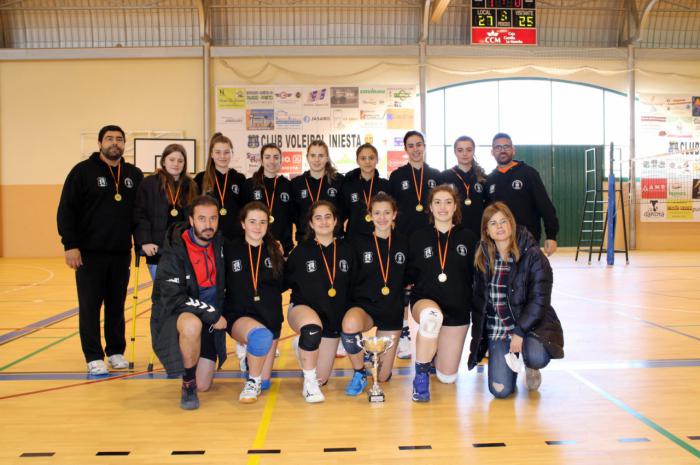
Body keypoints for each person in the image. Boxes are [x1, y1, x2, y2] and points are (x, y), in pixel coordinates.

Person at [57, 125, 143, 375]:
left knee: (117, 306)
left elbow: (138, 214)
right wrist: (70, 245)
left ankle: (115, 351)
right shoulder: (82, 172)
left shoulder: (133, 174)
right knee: (90, 306)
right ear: (99, 143)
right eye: (109, 139)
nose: (114, 143)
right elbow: (66, 210)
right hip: (89, 253)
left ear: (124, 144)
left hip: (120, 253)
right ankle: (93, 356)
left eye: (119, 139)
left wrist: (139, 244)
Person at [469, 202, 564, 398]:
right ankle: (511, 363)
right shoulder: (482, 257)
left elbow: (539, 301)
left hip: (530, 327)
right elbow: (479, 301)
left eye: (504, 221)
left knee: (536, 356)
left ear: (512, 224)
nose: (500, 227)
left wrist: (519, 332)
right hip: (500, 329)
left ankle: (531, 366)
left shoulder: (533, 255)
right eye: (493, 223)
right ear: (487, 231)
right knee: (500, 391)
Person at [150, 195, 228, 410]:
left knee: (205, 385)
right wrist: (212, 314)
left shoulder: (220, 244)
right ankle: (188, 384)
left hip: (211, 320)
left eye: (213, 219)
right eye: (202, 219)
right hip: (181, 314)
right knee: (192, 325)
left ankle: (196, 378)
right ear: (192, 221)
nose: (208, 225)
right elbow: (175, 299)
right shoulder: (174, 252)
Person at [406, 184, 477, 402]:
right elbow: (408, 275)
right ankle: (420, 377)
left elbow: (478, 275)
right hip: (426, 302)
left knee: (447, 378)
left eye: (448, 202)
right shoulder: (418, 237)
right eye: (437, 202)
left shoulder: (469, 237)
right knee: (431, 318)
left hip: (458, 309)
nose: (443, 207)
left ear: (455, 206)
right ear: (430, 207)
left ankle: (433, 348)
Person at [284, 201, 355, 402]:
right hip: (303, 310)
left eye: (328, 217)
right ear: (311, 223)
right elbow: (282, 281)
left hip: (332, 319)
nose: (323, 222)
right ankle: (309, 385)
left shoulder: (348, 251)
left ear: (335, 221)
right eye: (318, 218)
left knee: (322, 377)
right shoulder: (300, 252)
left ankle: (303, 345)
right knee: (312, 330)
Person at [341, 192, 407, 396]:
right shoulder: (357, 242)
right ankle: (359, 372)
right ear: (370, 215)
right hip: (365, 307)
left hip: (391, 310)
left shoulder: (404, 242)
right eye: (377, 213)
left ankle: (374, 359)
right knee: (350, 324)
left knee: (383, 376)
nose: (382, 217)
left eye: (387, 212)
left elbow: (412, 275)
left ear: (394, 214)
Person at [223, 202, 285, 403]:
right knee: (259, 338)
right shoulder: (230, 249)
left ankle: (252, 363)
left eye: (262, 222)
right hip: (240, 315)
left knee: (265, 383)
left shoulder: (275, 250)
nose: (257, 227)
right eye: (252, 222)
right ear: (243, 224)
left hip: (270, 319)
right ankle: (251, 382)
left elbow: (284, 284)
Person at [388, 130, 441, 360]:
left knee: (427, 284)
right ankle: (404, 334)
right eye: (411, 145)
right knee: (401, 287)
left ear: (425, 146)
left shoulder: (436, 175)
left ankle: (433, 331)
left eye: (419, 144)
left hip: (429, 240)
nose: (416, 149)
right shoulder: (397, 176)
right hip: (403, 240)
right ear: (406, 149)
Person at [485, 133, 559, 256]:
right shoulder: (489, 180)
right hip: (499, 242)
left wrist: (551, 235)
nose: (502, 150)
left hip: (527, 240)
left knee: (529, 275)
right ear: (492, 152)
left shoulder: (528, 173)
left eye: (506, 146)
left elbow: (545, 206)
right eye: (498, 147)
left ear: (513, 150)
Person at [134, 143, 198, 280]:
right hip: (157, 250)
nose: (176, 164)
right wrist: (145, 241)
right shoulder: (149, 184)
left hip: (184, 250)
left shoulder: (191, 185)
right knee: (163, 294)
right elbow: (140, 214)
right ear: (163, 161)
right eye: (172, 160)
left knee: (184, 294)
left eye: (180, 161)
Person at [241, 143, 294, 256]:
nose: (272, 161)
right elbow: (243, 217)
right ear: (261, 160)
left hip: (282, 247)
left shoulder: (288, 185)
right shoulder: (249, 185)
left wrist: (285, 244)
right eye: (267, 157)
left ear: (281, 160)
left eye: (276, 157)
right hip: (255, 245)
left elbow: (291, 216)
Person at [290, 140, 345, 244]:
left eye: (321, 155)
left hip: (333, 239)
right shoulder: (296, 183)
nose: (316, 159)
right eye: (313, 155)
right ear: (307, 157)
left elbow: (344, 211)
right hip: (306, 240)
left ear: (327, 158)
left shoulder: (339, 181)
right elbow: (293, 214)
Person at [195, 133, 246, 241]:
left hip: (235, 237)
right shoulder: (201, 178)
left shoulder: (239, 178)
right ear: (212, 154)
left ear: (232, 153)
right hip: (208, 236)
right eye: (218, 152)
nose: (222, 156)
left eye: (226, 152)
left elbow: (244, 209)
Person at [440, 136, 487, 239]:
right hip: (453, 230)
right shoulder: (444, 176)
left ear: (474, 151)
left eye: (469, 150)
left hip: (479, 231)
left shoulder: (482, 177)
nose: (464, 154)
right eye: (460, 150)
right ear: (455, 152)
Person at [341, 143, 391, 238]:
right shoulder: (348, 186)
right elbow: (341, 214)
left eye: (371, 158)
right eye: (363, 158)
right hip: (354, 238)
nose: (367, 162)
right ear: (357, 161)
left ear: (377, 160)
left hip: (379, 237)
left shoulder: (386, 185)